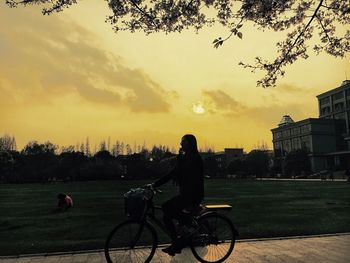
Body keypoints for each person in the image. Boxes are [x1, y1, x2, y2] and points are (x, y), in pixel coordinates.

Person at [151, 134, 204, 256]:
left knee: (167, 209)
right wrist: (155, 184)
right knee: (167, 212)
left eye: (183, 142)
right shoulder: (185, 158)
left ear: (190, 143)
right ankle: (177, 242)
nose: (181, 144)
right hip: (186, 194)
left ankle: (181, 238)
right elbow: (173, 173)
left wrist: (180, 160)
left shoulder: (195, 159)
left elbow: (185, 174)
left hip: (193, 195)